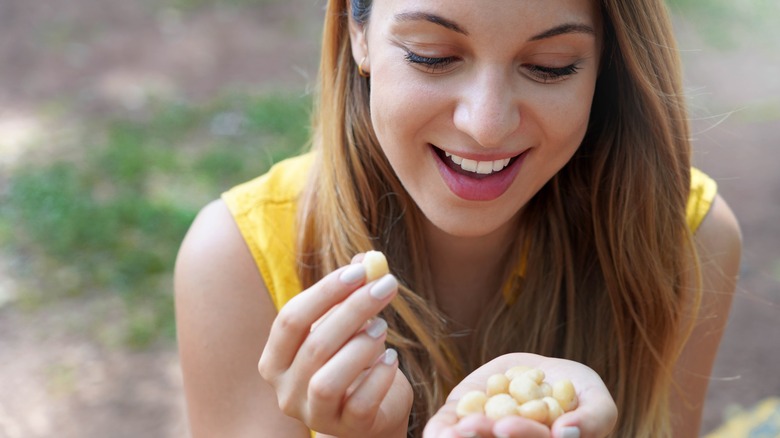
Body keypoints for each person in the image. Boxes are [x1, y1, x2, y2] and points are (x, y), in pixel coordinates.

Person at [174, 0, 742, 437]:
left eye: (550, 67)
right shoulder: (237, 259)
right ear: (358, 31)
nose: (486, 125)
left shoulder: (687, 239)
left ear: (606, 65)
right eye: (433, 56)